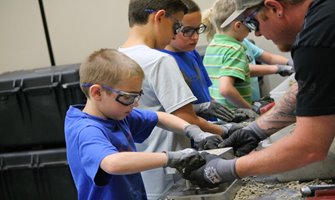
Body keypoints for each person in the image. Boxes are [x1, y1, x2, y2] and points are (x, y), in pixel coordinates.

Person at [181, 0, 335, 188]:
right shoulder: (325, 17)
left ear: (275, 8)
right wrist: (255, 131)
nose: (258, 33)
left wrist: (224, 169)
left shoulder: (316, 39)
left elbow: (309, 147)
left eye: (253, 22)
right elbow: (310, 89)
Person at [118, 0, 239, 198]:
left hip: (142, 172)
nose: (174, 35)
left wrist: (199, 108)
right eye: (176, 26)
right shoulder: (159, 60)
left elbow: (148, 109)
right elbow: (186, 119)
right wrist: (225, 130)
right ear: (159, 17)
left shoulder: (117, 58)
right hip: (170, 171)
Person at [64, 48, 217, 199]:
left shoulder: (116, 115)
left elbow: (159, 117)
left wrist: (193, 130)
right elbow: (112, 163)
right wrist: (170, 158)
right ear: (97, 93)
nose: (135, 105)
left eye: (138, 96)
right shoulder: (86, 130)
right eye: (128, 97)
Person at [201, 0, 294, 110]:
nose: (254, 33)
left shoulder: (213, 46)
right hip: (238, 113)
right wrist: (250, 109)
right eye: (251, 26)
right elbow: (225, 89)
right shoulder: (235, 49)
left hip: (223, 114)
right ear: (238, 26)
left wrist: (288, 63)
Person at [159, 0, 235, 122]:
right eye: (187, 31)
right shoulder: (163, 62)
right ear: (170, 28)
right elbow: (171, 110)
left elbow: (206, 95)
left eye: (198, 28)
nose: (195, 37)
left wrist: (228, 113)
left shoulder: (192, 53)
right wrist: (202, 108)